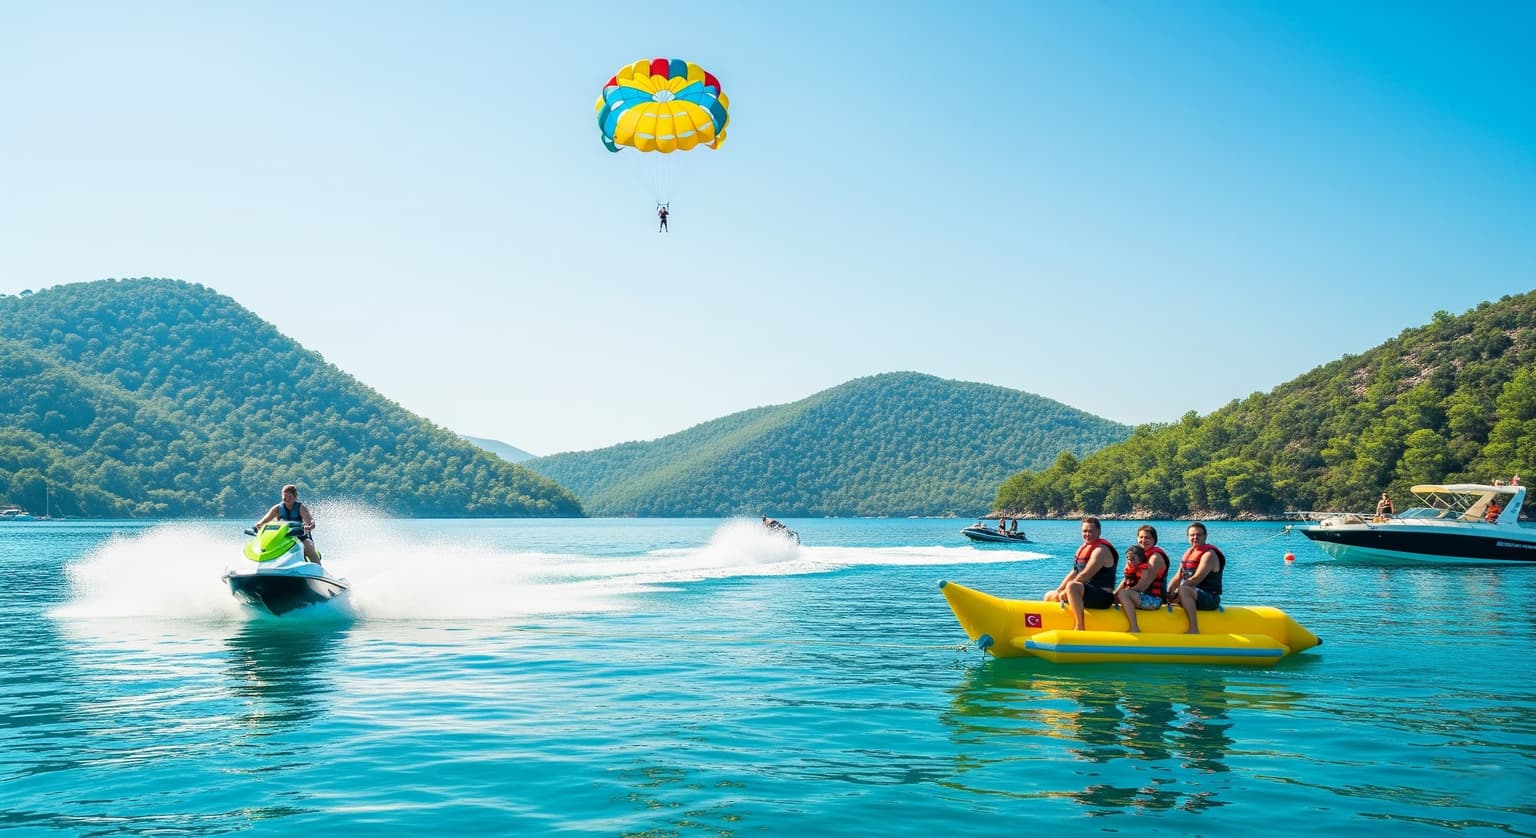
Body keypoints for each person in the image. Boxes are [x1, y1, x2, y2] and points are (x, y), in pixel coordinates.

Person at [1045, 516, 1118, 630]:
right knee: (1050, 595)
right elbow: (1074, 572)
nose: (1087, 534)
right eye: (1085, 531)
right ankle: (1050, 623)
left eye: (1091, 531)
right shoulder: (1084, 547)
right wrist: (1059, 590)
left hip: (1103, 597)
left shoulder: (1101, 550)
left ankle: (1080, 626)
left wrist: (1067, 591)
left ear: (1099, 532)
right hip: (1085, 592)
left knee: (1072, 586)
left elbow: (1085, 575)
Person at [1166, 522, 1224, 634]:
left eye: (1199, 535)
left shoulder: (1209, 555)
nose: (1195, 537)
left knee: (1184, 589)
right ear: (1188, 537)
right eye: (1192, 535)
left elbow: (1197, 579)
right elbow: (1178, 577)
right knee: (1169, 593)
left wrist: (1178, 591)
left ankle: (1194, 628)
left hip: (1210, 598)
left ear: (1205, 536)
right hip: (1193, 594)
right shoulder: (1188, 553)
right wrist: (1168, 593)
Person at [1115, 525, 1170, 632]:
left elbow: (1145, 584)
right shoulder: (1134, 557)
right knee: (1117, 594)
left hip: (1153, 599)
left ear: (1154, 540)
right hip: (1138, 596)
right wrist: (1115, 594)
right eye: (1141, 537)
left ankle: (1134, 627)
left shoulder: (1155, 557)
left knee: (1123, 594)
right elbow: (1127, 578)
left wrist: (1125, 594)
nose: (1143, 540)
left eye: (1147, 538)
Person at [254, 484, 320, 562]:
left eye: (290, 497)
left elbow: (310, 521)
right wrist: (259, 525)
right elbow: (264, 520)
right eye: (285, 496)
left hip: (300, 534)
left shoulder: (300, 507)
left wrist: (310, 526)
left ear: (295, 497)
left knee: (308, 547)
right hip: (283, 536)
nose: (287, 499)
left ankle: (318, 569)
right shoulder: (277, 508)